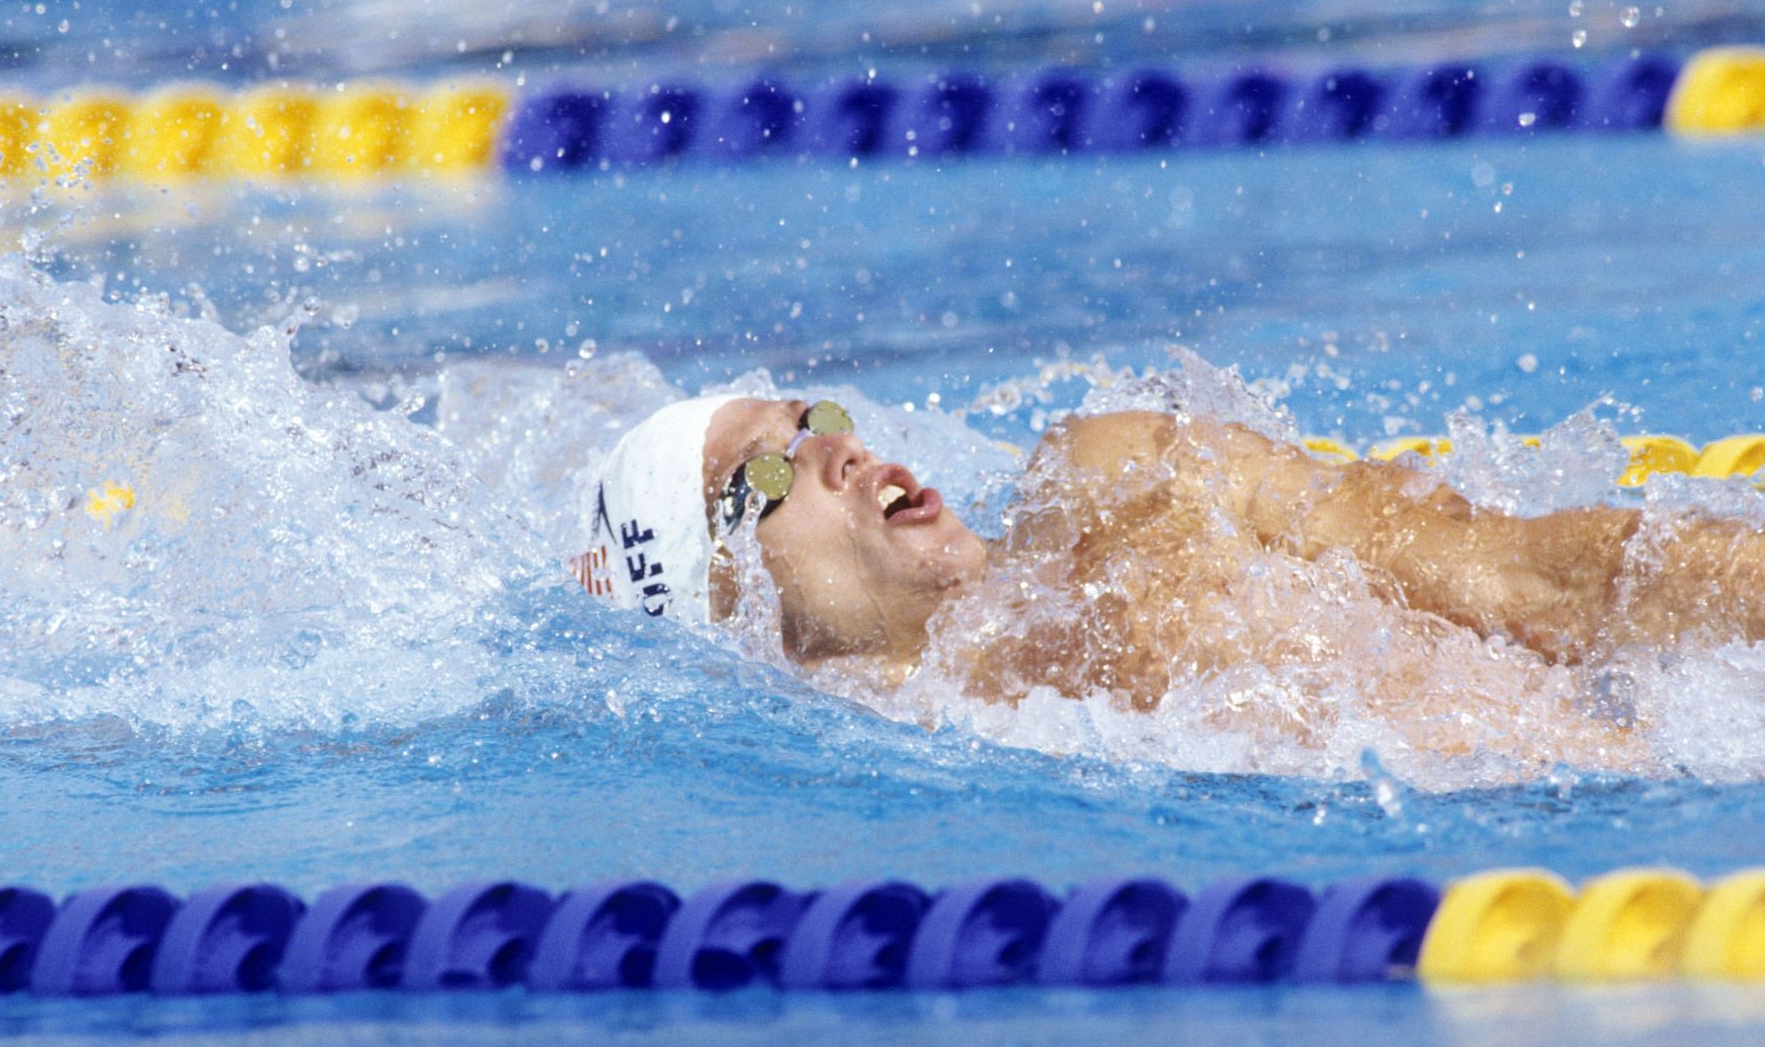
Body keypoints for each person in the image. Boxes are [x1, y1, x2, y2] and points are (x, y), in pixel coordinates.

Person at [574, 393, 1765, 764]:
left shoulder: (1129, 478)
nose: (836, 446)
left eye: (811, 414)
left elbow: (1550, 578)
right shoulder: (892, 760)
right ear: (730, 602)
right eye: (766, 471)